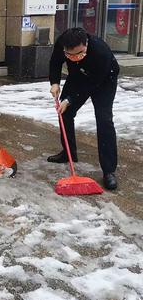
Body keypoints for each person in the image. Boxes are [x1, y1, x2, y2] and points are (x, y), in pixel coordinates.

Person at [48, 27, 119, 190]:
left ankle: (109, 171)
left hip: (103, 79)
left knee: (104, 120)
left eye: (79, 54)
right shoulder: (62, 43)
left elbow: (90, 85)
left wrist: (70, 99)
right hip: (78, 76)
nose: (73, 58)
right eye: (69, 55)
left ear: (85, 44)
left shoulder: (100, 51)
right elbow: (55, 61)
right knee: (64, 112)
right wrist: (54, 83)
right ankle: (68, 153)